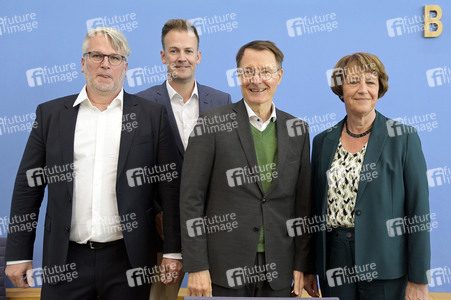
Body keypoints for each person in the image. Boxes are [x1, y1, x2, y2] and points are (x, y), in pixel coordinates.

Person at [5, 27, 182, 300]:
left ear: (125, 67)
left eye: (115, 58)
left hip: (129, 261)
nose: (105, 64)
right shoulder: (51, 115)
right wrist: (18, 254)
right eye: (97, 55)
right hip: (65, 259)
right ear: (82, 63)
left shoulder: (151, 116)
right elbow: (28, 187)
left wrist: (172, 251)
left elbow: (170, 188)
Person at [179, 40, 318, 297]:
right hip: (223, 268)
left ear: (279, 76)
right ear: (238, 75)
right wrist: (196, 266)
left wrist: (303, 264)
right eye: (247, 71)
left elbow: (303, 205)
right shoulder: (211, 124)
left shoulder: (297, 129)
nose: (256, 79)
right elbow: (191, 201)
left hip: (280, 268)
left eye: (266, 71)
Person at [312, 52, 430, 299]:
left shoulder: (403, 137)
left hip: (386, 264)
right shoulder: (322, 141)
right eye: (354, 81)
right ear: (340, 89)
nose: (362, 89)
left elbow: (418, 212)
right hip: (335, 261)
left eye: (370, 81)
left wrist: (418, 279)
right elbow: (314, 209)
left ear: (380, 89)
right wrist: (312, 268)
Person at [136, 19, 231, 300]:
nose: (181, 58)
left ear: (198, 56)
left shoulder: (222, 100)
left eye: (188, 51)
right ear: (163, 56)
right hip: (161, 231)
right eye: (174, 51)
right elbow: (137, 168)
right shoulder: (142, 104)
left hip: (213, 227)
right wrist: (156, 212)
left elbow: (226, 163)